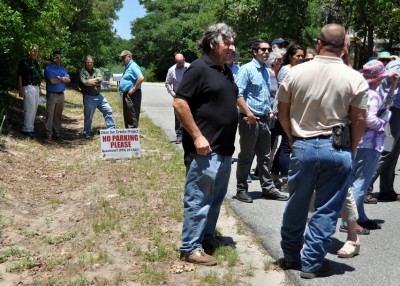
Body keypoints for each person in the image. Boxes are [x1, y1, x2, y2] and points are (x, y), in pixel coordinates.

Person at [277, 24, 369, 278]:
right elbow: (360, 119)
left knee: (296, 204)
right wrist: (351, 149)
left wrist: (292, 137)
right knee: (327, 208)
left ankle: (292, 256)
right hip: (337, 146)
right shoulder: (354, 77)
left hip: (303, 144)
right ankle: (311, 262)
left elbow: (283, 113)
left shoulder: (295, 73)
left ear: (318, 43)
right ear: (344, 47)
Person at [174, 23, 238, 266]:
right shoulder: (199, 68)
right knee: (199, 200)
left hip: (224, 151)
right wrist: (198, 136)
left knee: (214, 200)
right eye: (227, 43)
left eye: (233, 43)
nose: (232, 48)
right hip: (204, 151)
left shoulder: (224, 70)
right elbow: (180, 103)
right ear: (213, 43)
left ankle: (207, 239)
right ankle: (190, 247)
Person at [235, 40, 288, 203]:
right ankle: (241, 189)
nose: (266, 52)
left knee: (265, 157)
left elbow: (265, 95)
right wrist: (249, 114)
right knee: (246, 156)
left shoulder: (266, 70)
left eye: (267, 50)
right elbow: (238, 95)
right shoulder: (246, 69)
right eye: (262, 50)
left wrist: (270, 110)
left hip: (265, 120)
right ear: (254, 52)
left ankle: (267, 188)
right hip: (250, 120)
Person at [366, 58, 400, 203]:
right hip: (392, 110)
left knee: (394, 153)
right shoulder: (396, 66)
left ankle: (387, 190)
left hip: (397, 111)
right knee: (386, 151)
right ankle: (365, 188)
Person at [272, 45, 305, 192]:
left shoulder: (297, 69)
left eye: (302, 56)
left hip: (293, 111)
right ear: (290, 56)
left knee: (283, 146)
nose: (301, 58)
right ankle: (285, 181)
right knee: (287, 145)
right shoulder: (286, 70)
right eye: (298, 55)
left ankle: (274, 175)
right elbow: (284, 94)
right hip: (285, 112)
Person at [79, 55, 115, 138]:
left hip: (98, 96)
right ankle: (86, 132)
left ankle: (111, 129)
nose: (89, 64)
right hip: (88, 97)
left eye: (91, 62)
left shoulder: (97, 70)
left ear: (93, 63)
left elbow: (100, 80)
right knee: (88, 116)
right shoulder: (82, 71)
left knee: (108, 110)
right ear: (85, 63)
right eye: (88, 62)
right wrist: (94, 81)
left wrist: (90, 81)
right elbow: (85, 82)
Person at [44, 50, 70, 140]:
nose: (58, 59)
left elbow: (68, 80)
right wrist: (63, 79)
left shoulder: (62, 69)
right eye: (56, 57)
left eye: (59, 57)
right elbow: (52, 81)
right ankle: (48, 133)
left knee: (58, 114)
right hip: (52, 94)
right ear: (53, 58)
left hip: (61, 95)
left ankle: (57, 132)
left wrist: (60, 78)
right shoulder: (48, 68)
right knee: (50, 114)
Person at [17, 45, 42, 137]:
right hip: (28, 86)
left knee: (34, 109)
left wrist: (40, 90)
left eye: (36, 51)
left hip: (36, 87)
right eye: (33, 51)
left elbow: (38, 77)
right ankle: (26, 129)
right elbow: (19, 76)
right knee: (30, 108)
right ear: (29, 51)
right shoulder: (24, 62)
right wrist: (20, 89)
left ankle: (30, 128)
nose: (35, 53)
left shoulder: (36, 63)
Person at [165, 53, 190, 143]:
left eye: (181, 61)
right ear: (176, 62)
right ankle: (179, 135)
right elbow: (167, 83)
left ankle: (189, 135)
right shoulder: (171, 70)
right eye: (178, 62)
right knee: (178, 116)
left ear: (184, 58)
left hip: (190, 95)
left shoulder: (190, 67)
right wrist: (173, 94)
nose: (180, 64)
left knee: (191, 115)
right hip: (178, 96)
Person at [119, 50, 145, 128]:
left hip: (133, 94)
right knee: (127, 114)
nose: (122, 59)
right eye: (122, 57)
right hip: (127, 94)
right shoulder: (128, 66)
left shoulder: (133, 66)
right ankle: (128, 133)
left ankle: (132, 133)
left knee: (132, 113)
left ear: (129, 57)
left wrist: (133, 88)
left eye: (124, 57)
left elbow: (141, 78)